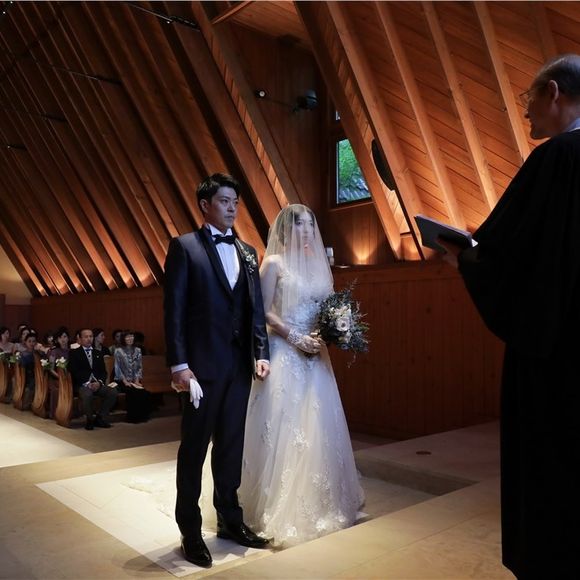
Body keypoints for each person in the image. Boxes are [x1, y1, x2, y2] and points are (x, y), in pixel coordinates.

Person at [438, 54, 580, 578]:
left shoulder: (557, 158)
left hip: (558, 353)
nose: (525, 114)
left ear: (554, 93)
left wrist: (464, 258)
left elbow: (511, 254)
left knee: (554, 473)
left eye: (529, 100)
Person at [238, 205, 364, 547]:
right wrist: (294, 336)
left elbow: (328, 309)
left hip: (315, 354)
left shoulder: (318, 266)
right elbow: (262, 311)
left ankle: (322, 502)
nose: (307, 231)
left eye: (311, 225)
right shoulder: (274, 263)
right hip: (285, 350)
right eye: (300, 225)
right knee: (284, 425)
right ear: (286, 230)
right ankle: (270, 504)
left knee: (317, 426)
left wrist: (329, 331)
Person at [164, 173, 270, 568]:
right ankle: (190, 530)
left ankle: (229, 520)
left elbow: (255, 309)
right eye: (225, 201)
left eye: (235, 202)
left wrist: (261, 351)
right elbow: (174, 310)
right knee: (194, 449)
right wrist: (180, 365)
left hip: (238, 368)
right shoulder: (184, 247)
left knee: (230, 447)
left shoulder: (248, 251)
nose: (232, 208)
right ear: (205, 205)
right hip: (200, 370)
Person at [68, 328, 117, 430]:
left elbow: (103, 372)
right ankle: (89, 419)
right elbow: (74, 371)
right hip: (82, 384)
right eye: (86, 337)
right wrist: (87, 383)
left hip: (96, 384)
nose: (89, 339)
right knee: (87, 394)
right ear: (80, 339)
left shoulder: (97, 353)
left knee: (112, 392)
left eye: (90, 336)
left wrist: (99, 383)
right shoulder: (74, 353)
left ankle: (100, 417)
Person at [114, 330, 151, 423]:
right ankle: (132, 417)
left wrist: (137, 380)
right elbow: (117, 368)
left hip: (134, 380)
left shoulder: (138, 350)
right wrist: (125, 381)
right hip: (122, 380)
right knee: (132, 392)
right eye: (127, 337)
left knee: (143, 392)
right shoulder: (118, 351)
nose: (130, 339)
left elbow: (139, 367)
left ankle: (142, 417)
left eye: (131, 336)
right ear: (123, 339)